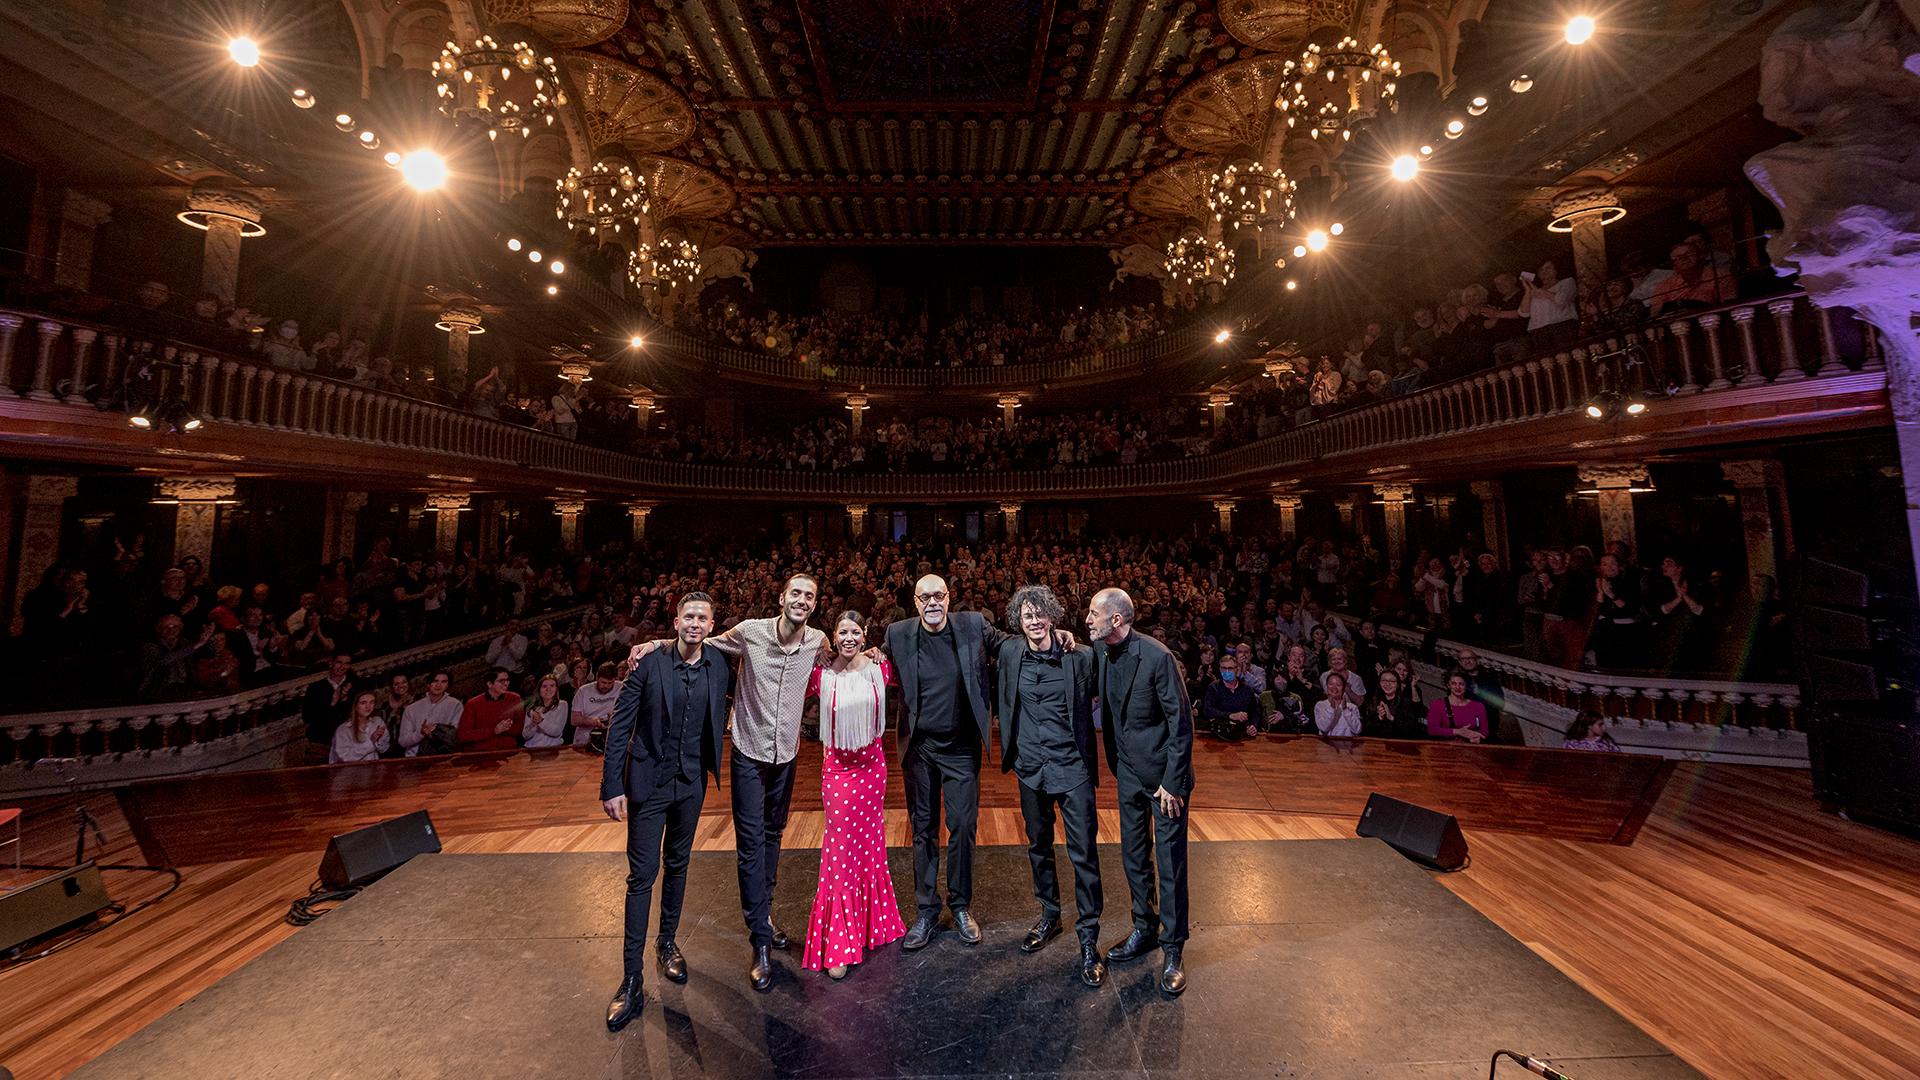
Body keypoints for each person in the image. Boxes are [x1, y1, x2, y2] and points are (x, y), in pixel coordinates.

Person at [631, 573, 828, 990]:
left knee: (774, 836)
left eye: (809, 596)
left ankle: (765, 915)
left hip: (787, 756)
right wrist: (656, 646)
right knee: (751, 844)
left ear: (814, 605)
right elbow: (700, 641)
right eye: (796, 593)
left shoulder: (818, 641)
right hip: (749, 754)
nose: (802, 600)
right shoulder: (750, 633)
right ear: (781, 597)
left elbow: (838, 658)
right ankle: (759, 943)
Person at [600, 592, 733, 1033]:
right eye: (688, 616)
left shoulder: (718, 664)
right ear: (675, 622)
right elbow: (620, 725)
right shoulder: (649, 664)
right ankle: (630, 979)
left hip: (691, 784)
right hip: (648, 784)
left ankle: (667, 943)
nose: (695, 623)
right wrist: (612, 785)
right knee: (641, 877)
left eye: (702, 617)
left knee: (678, 865)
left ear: (711, 625)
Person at [882, 574, 1032, 952]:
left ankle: (961, 906)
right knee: (923, 829)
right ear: (914, 602)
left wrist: (1051, 635)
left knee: (963, 826)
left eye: (939, 595)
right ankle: (927, 911)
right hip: (919, 750)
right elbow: (873, 660)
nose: (932, 602)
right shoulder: (897, 633)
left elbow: (1011, 645)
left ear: (949, 598)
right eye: (924, 597)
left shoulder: (973, 625)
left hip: (961, 748)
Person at [996, 585, 1106, 989]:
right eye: (1027, 615)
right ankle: (1050, 914)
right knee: (1038, 846)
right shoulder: (1009, 653)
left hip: (1072, 768)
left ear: (1054, 617)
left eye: (1041, 613)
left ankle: (1089, 937)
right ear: (1018, 620)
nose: (1035, 620)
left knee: (1083, 855)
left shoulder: (1080, 658)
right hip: (1031, 767)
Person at [1087, 587, 1192, 997]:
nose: (1087, 619)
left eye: (1094, 613)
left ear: (1116, 620)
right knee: (1133, 856)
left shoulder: (1158, 657)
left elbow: (1181, 724)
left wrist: (1173, 781)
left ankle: (1173, 948)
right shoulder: (1100, 651)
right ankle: (1144, 930)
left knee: (1170, 864)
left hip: (1165, 782)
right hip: (1127, 774)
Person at [802, 611, 906, 980]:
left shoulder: (882, 668)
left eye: (855, 631)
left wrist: (880, 653)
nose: (849, 637)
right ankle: (839, 941)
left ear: (865, 636)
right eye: (842, 632)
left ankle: (873, 924)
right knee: (841, 850)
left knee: (871, 846)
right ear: (834, 636)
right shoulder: (821, 673)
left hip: (872, 771)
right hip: (839, 774)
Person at [301, 652, 357, 759]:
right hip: (320, 743)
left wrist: (344, 700)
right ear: (331, 663)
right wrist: (332, 704)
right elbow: (308, 717)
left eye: (346, 663)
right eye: (339, 662)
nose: (342, 667)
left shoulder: (356, 685)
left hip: (347, 744)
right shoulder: (315, 688)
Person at [455, 667, 523, 751]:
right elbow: (463, 735)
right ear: (490, 684)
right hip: (480, 751)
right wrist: (493, 731)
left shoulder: (514, 698)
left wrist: (504, 729)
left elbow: (520, 728)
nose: (506, 684)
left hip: (507, 750)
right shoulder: (473, 703)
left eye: (507, 680)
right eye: (501, 681)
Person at [1199, 653, 1262, 740]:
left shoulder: (1247, 690)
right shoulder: (1213, 688)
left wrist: (1253, 725)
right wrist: (1230, 715)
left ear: (1236, 669)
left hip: (1242, 735)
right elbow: (1207, 710)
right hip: (1219, 734)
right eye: (1224, 668)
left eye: (1230, 668)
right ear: (1220, 670)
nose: (1227, 671)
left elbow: (1255, 711)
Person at [398, 670, 461, 756]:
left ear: (447, 685)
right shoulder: (411, 709)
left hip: (445, 757)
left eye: (443, 682)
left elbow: (457, 735)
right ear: (428, 684)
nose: (439, 685)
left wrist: (437, 731)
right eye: (435, 681)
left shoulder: (456, 705)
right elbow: (403, 741)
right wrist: (421, 734)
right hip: (414, 758)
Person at [570, 661, 623, 749]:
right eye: (603, 682)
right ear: (597, 677)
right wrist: (592, 721)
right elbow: (574, 720)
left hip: (612, 740)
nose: (606, 686)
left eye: (610, 683)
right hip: (584, 741)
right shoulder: (583, 691)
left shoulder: (621, 687)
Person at [1426, 671, 1490, 743]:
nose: (1457, 687)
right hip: (1447, 747)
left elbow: (1484, 731)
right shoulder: (1438, 704)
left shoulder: (1478, 706)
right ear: (1448, 685)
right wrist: (1457, 732)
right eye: (1453, 683)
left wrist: (1477, 737)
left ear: (1466, 686)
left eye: (1461, 684)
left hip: (1471, 746)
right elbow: (1432, 729)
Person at [1361, 668, 1426, 739]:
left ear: (1398, 684)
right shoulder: (1373, 701)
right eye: (1383, 681)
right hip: (1377, 744)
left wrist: (1391, 718)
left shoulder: (1406, 703)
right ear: (1379, 683)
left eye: (1392, 681)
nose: (1387, 684)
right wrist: (1379, 718)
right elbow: (1365, 730)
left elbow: (1412, 730)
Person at [330, 691, 391, 763]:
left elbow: (384, 749)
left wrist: (379, 740)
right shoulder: (344, 729)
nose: (368, 707)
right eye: (363, 703)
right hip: (350, 771)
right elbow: (344, 757)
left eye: (372, 702)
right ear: (355, 706)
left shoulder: (377, 721)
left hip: (373, 769)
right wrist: (371, 741)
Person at [522, 674, 571, 749]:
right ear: (539, 689)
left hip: (553, 749)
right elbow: (525, 736)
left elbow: (556, 732)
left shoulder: (562, 705)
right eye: (544, 686)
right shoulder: (531, 707)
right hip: (532, 749)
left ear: (556, 688)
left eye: (552, 686)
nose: (548, 689)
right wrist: (533, 724)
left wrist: (540, 721)